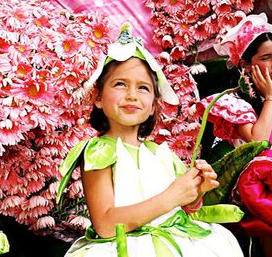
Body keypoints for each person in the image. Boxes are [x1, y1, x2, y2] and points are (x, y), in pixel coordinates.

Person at [57, 24, 244, 257]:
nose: (132, 95)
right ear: (97, 97)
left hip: (176, 244)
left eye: (143, 88)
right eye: (120, 84)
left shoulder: (160, 153)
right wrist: (171, 196)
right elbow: (105, 225)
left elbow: (177, 209)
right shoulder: (98, 151)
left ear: (154, 105)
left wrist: (195, 194)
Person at [197, 13, 272, 255]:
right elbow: (259, 142)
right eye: (266, 58)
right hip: (256, 186)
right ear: (246, 65)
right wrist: (270, 97)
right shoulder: (235, 102)